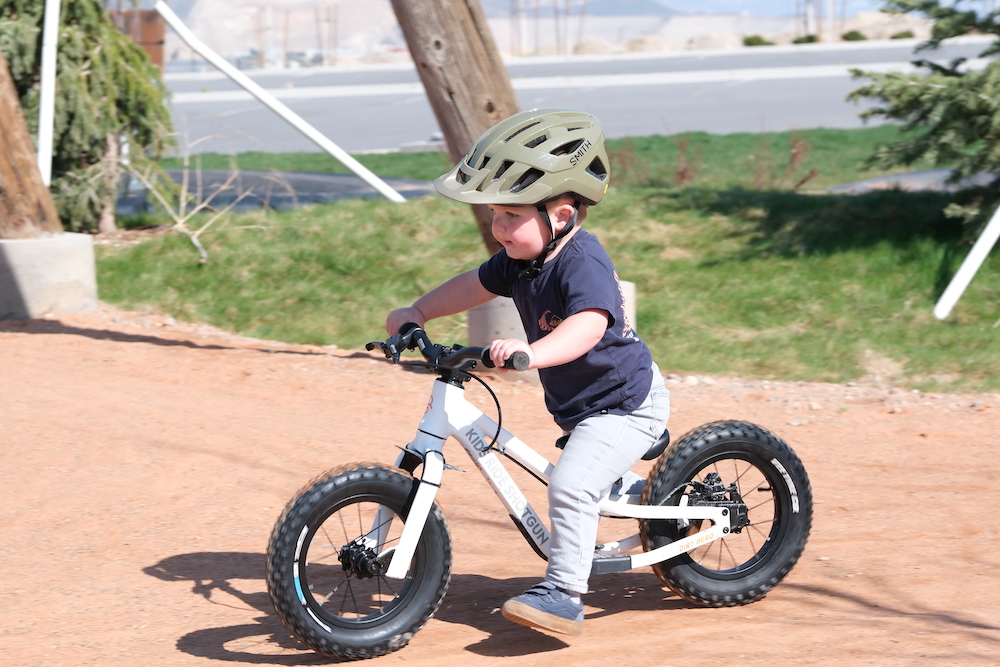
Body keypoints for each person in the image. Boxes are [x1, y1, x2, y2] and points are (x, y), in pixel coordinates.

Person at [385, 108, 670, 636]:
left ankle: (565, 595)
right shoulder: (521, 258)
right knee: (584, 478)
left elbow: (587, 324)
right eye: (495, 214)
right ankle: (637, 493)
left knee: (568, 484)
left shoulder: (581, 260)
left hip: (625, 403)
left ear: (560, 215)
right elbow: (473, 284)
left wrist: (531, 353)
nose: (498, 228)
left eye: (509, 216)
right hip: (583, 405)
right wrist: (418, 312)